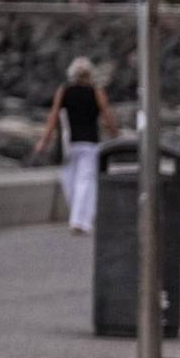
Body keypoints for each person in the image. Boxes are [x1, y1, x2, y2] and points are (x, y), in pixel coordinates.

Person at [29, 57, 118, 236]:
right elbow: (107, 116)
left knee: (69, 180)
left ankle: (79, 218)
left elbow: (53, 117)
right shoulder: (96, 91)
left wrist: (43, 141)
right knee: (85, 181)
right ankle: (81, 219)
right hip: (90, 143)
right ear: (89, 74)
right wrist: (115, 135)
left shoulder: (64, 91)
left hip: (69, 144)